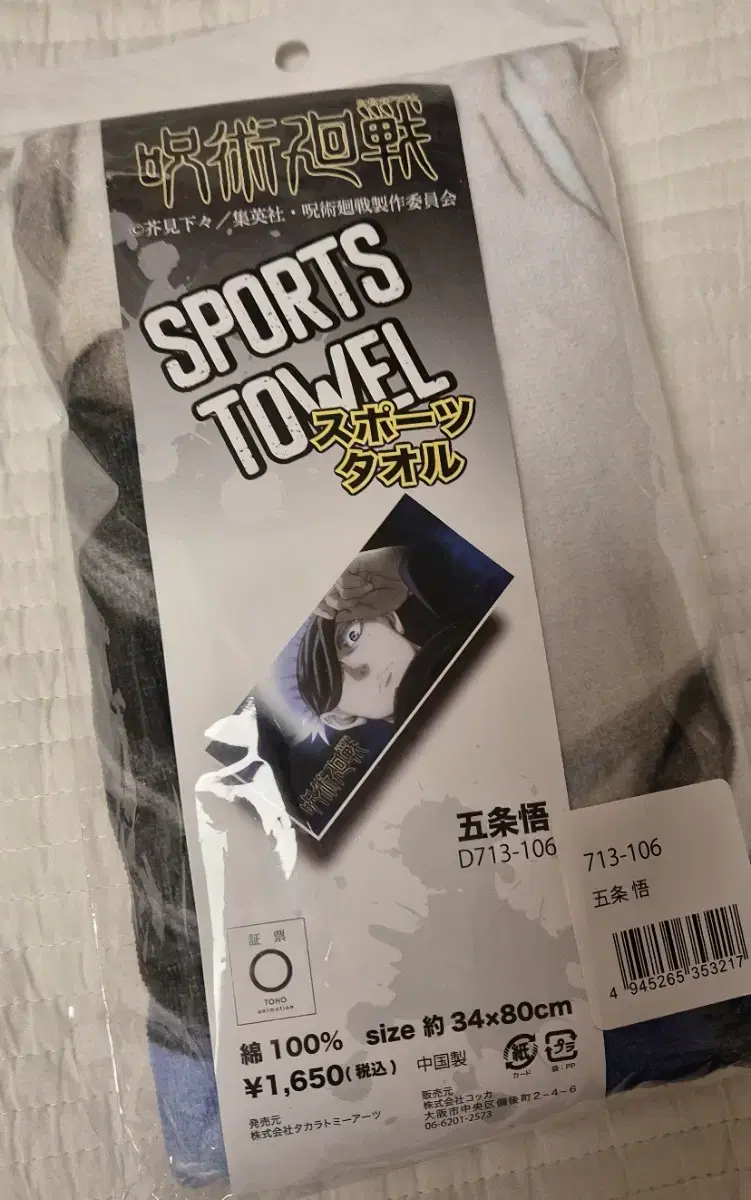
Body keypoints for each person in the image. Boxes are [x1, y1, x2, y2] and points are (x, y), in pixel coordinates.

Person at [296, 538, 507, 732]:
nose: (360, 670)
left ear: (389, 619)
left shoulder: (471, 627)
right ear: (339, 718)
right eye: (336, 679)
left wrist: (403, 564)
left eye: (352, 636)